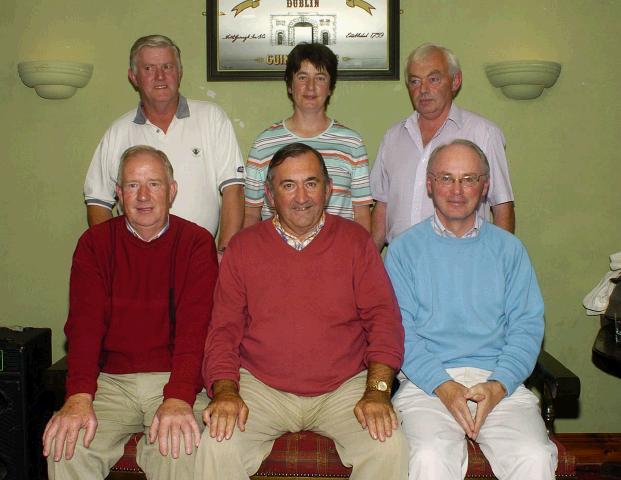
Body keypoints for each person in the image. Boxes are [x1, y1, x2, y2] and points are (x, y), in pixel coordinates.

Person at [195, 142, 408, 479]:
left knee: (388, 445)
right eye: (288, 185)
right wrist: (225, 392)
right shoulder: (243, 248)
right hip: (261, 388)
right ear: (269, 193)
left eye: (311, 183)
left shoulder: (356, 243)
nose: (301, 197)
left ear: (328, 189)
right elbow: (223, 331)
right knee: (217, 445)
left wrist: (378, 392)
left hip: (343, 388)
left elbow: (384, 322)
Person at [384, 139, 557, 480]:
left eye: (469, 179)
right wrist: (443, 386)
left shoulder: (509, 250)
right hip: (427, 385)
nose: (458, 190)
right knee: (429, 459)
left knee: (534, 457)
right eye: (447, 178)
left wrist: (499, 384)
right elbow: (399, 330)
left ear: (485, 185)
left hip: (498, 382)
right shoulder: (403, 250)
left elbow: (526, 327)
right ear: (430, 185)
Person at [43, 146, 219, 480]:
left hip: (172, 377)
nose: (143, 196)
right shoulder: (95, 244)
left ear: (172, 190)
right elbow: (84, 327)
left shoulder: (195, 243)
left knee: (178, 446)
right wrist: (79, 395)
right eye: (132, 185)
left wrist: (179, 396)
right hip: (110, 383)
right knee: (67, 444)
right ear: (118, 194)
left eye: (154, 183)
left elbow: (195, 330)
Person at [84, 34, 244, 256]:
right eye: (149, 68)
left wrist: (224, 255)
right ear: (133, 77)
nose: (160, 76)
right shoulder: (118, 132)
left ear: (179, 73)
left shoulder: (212, 118)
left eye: (167, 66)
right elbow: (98, 201)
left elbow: (233, 190)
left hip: (198, 259)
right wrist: (115, 257)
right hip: (137, 262)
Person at [370, 42, 515, 251]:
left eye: (433, 79)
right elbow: (382, 207)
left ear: (455, 81)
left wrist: (500, 264)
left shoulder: (483, 134)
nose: (423, 90)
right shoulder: (393, 137)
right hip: (399, 268)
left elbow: (502, 207)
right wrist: (369, 271)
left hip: (464, 262)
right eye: (415, 81)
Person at [244, 43, 373, 231]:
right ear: (290, 85)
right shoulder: (264, 144)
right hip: (277, 255)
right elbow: (251, 213)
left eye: (320, 78)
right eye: (302, 77)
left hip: (337, 253)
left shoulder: (352, 143)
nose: (311, 87)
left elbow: (361, 214)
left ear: (330, 88)